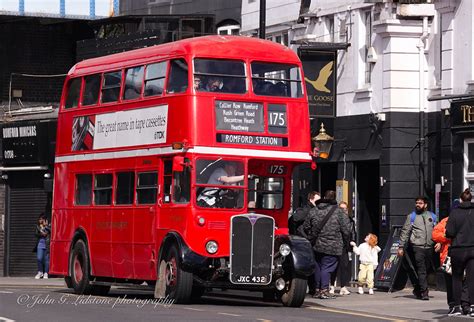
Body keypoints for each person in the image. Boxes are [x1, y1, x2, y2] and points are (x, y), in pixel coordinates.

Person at [303, 190, 350, 299]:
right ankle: (324, 290)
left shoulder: (314, 210)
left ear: (324, 197)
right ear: (334, 199)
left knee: (318, 267)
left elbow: (305, 227)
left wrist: (312, 235)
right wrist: (345, 242)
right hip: (333, 245)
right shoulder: (339, 212)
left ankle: (317, 290)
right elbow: (347, 230)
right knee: (327, 267)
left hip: (316, 245)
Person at [432, 202, 470, 316]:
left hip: (464, 254)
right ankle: (453, 305)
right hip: (447, 257)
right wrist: (447, 237)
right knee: (451, 284)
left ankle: (465, 305)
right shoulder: (446, 220)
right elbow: (435, 234)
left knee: (466, 283)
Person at [398, 196, 437, 300]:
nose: (417, 205)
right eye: (416, 203)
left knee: (428, 269)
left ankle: (417, 289)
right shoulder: (412, 217)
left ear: (425, 205)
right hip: (417, 247)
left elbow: (437, 231)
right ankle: (425, 292)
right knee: (421, 269)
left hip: (430, 247)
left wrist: (439, 242)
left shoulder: (432, 216)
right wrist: (401, 246)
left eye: (420, 203)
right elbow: (405, 232)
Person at [445, 188, 474, 316]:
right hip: (472, 249)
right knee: (472, 279)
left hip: (458, 249)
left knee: (456, 278)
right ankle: (472, 306)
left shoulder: (454, 213)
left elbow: (449, 232)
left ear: (460, 200)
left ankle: (456, 307)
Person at [288, 191, 320, 296]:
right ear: (311, 200)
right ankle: (313, 288)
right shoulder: (307, 210)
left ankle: (313, 288)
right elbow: (294, 218)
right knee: (310, 264)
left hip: (310, 240)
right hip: (305, 240)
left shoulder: (315, 210)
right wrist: (300, 234)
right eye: (317, 200)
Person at [330, 201, 356, 296]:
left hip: (345, 246)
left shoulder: (350, 220)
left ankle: (343, 287)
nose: (343, 210)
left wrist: (352, 241)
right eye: (341, 208)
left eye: (345, 209)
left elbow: (352, 231)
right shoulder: (334, 220)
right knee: (334, 266)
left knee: (344, 266)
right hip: (335, 245)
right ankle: (332, 285)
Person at [34, 214, 51, 279]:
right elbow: (36, 234)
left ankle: (46, 273)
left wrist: (46, 226)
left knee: (46, 260)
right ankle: (40, 272)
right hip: (40, 245)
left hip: (47, 244)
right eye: (39, 219)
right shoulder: (38, 226)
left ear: (45, 220)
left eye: (42, 219)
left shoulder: (49, 225)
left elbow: (51, 231)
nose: (40, 220)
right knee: (39, 258)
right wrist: (41, 234)